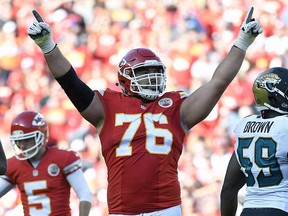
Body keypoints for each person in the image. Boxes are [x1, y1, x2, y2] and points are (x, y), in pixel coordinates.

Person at [27, 7, 262, 215]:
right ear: (125, 77)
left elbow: (218, 83)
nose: (152, 77)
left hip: (166, 208)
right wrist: (48, 46)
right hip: (122, 210)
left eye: (155, 71)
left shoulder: (176, 107)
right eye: (143, 72)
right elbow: (70, 81)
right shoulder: (107, 106)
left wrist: (242, 42)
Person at [220, 67, 288, 216]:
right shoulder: (285, 126)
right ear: (274, 97)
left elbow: (228, 189)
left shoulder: (245, 125)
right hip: (282, 208)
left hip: (250, 210)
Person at [0, 111, 92, 216]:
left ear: (41, 136)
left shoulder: (62, 158)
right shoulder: (14, 164)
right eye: (18, 141)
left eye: (26, 139)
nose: (22, 145)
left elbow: (85, 193)